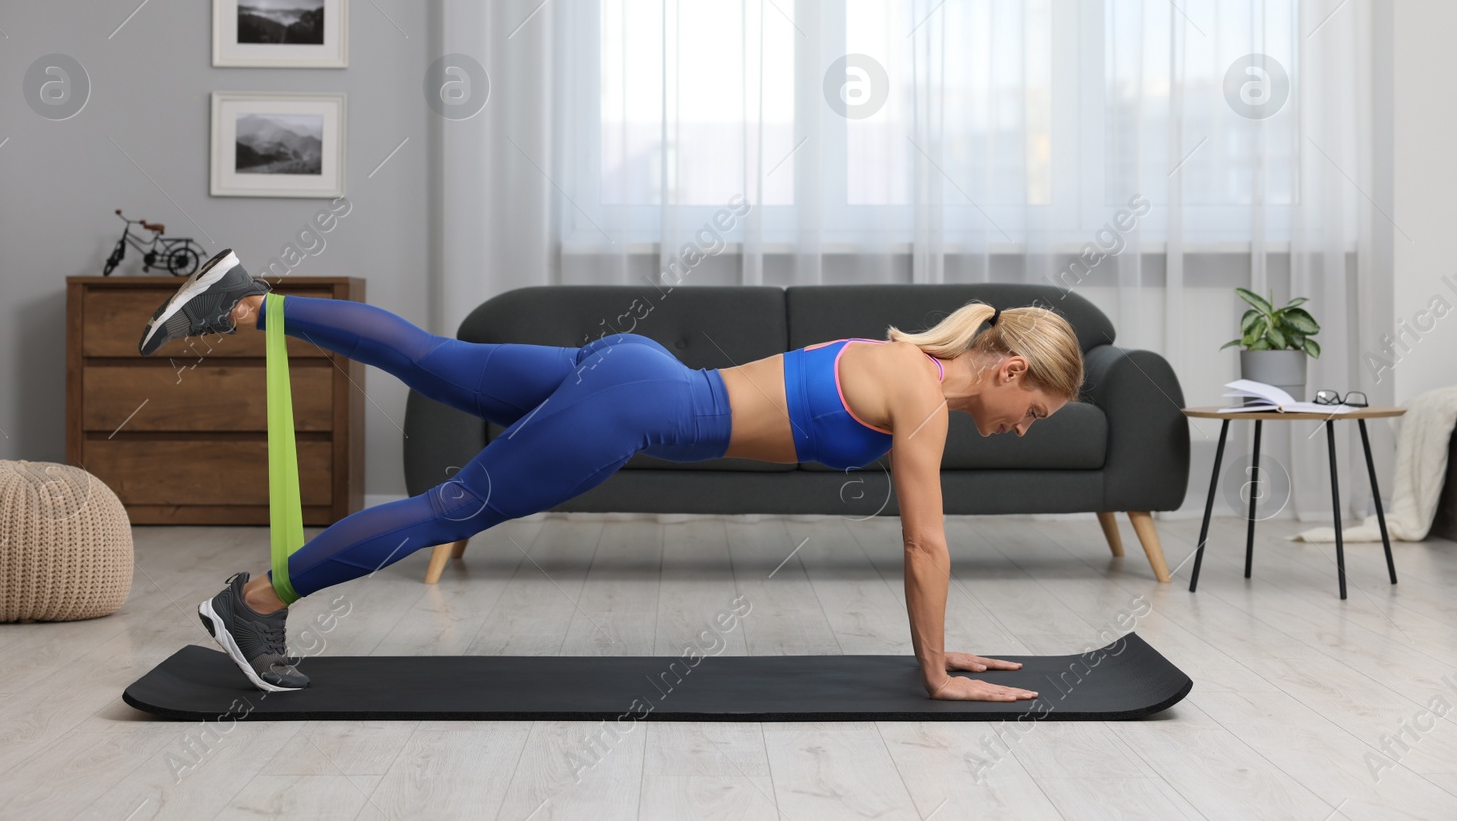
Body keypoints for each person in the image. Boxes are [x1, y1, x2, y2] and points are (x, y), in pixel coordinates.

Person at [140, 250, 1083, 701]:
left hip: (635, 369)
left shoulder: (902, 367)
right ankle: (257, 601)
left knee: (432, 357)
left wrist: (942, 646)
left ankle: (247, 303)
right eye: (1032, 410)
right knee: (450, 508)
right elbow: (925, 542)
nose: (1019, 430)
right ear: (1009, 370)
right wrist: (935, 670)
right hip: (634, 407)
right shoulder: (920, 398)